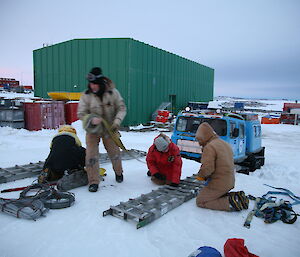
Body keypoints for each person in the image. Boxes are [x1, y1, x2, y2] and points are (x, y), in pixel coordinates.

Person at [77, 67, 127, 192]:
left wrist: (117, 122)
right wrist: (90, 119)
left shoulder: (113, 93)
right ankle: (93, 181)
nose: (92, 86)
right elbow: (81, 113)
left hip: (110, 129)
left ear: (100, 83)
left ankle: (118, 172)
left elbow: (122, 108)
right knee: (91, 155)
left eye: (94, 84)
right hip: (92, 130)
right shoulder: (86, 95)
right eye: (90, 84)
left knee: (114, 153)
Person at [195, 122, 249, 211]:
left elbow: (208, 168)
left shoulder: (210, 147)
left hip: (220, 183)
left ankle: (231, 203)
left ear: (204, 136)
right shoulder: (224, 143)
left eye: (200, 140)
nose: (199, 143)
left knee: (201, 201)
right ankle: (231, 197)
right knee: (209, 193)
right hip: (229, 181)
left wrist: (200, 176)